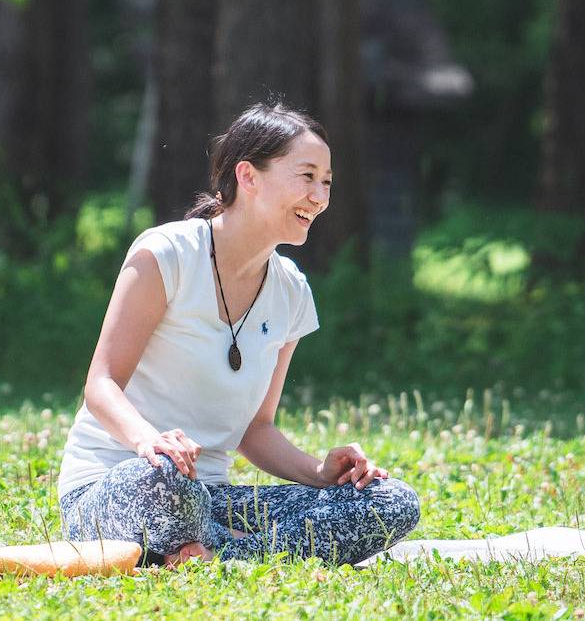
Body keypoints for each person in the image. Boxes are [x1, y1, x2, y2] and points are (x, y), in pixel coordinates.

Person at [57, 102, 420, 567]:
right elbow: (101, 384)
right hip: (124, 482)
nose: (319, 197)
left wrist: (321, 472)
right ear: (248, 176)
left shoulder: (292, 291)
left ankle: (215, 551)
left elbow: (255, 430)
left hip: (211, 497)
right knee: (167, 479)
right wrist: (149, 442)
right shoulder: (166, 255)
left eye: (327, 182)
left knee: (390, 501)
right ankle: (229, 547)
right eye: (307, 176)